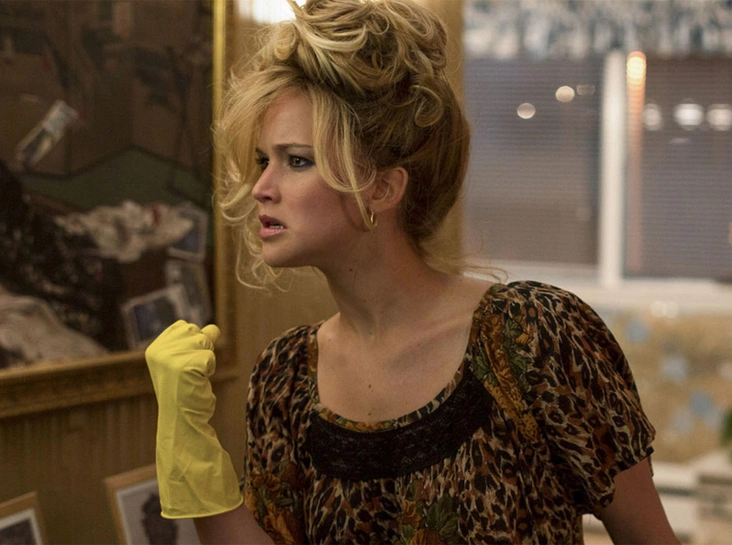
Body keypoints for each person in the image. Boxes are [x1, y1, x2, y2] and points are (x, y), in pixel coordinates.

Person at [145, 0, 680, 543]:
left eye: (297, 160)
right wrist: (194, 463)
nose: (261, 187)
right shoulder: (284, 380)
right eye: (264, 160)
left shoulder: (533, 336)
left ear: (383, 187)